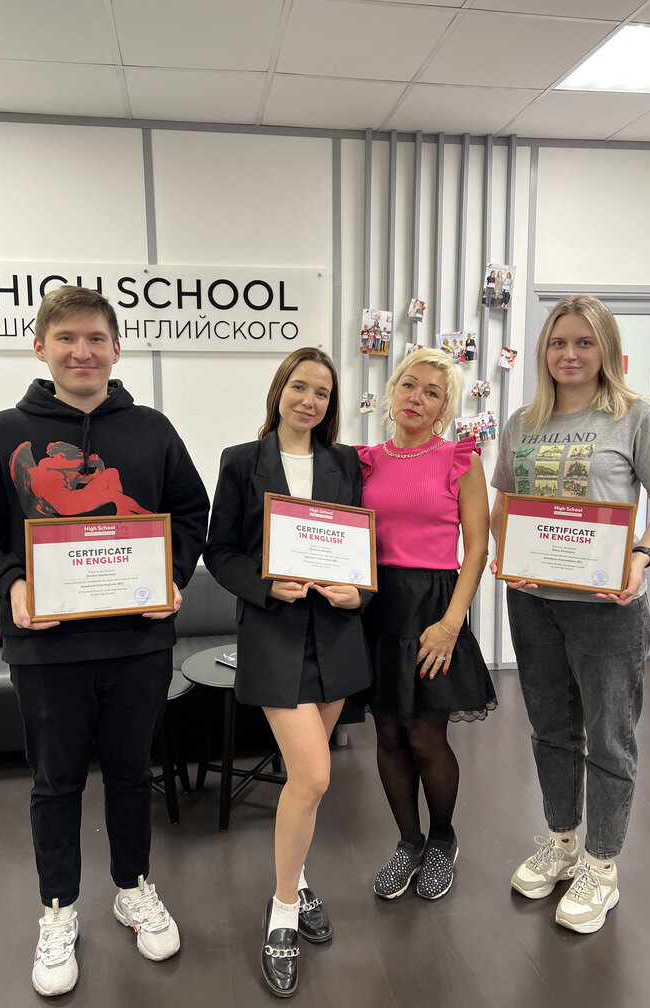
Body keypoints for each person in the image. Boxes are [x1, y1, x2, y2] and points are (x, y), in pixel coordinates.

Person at [0, 286, 209, 996]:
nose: (81, 352)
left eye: (95, 339)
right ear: (40, 347)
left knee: (131, 776)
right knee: (55, 783)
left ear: (117, 349)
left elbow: (190, 512)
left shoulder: (153, 430)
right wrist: (10, 584)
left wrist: (174, 574)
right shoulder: (1, 434)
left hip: (139, 645)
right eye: (66, 339)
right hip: (45, 651)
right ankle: (58, 909)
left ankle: (133, 887)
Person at [489, 295, 650, 934]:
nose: (569, 354)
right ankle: (563, 844)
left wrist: (641, 557)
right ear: (544, 351)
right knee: (550, 728)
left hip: (607, 609)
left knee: (609, 736)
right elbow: (505, 502)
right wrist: (505, 553)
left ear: (606, 350)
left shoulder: (635, 417)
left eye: (583, 342)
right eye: (558, 342)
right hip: (533, 602)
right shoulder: (522, 422)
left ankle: (601, 866)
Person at [204, 347, 372, 998]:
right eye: (299, 387)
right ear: (279, 391)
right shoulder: (241, 461)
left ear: (331, 404)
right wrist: (267, 584)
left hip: (336, 638)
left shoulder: (344, 463)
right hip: (274, 636)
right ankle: (282, 912)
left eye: (322, 393)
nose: (309, 400)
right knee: (314, 775)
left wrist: (359, 594)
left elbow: (364, 547)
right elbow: (220, 551)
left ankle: (297, 879)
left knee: (307, 784)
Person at [356, 348, 496, 903]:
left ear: (444, 408)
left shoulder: (460, 459)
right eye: (409, 385)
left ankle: (441, 840)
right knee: (388, 732)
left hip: (434, 607)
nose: (417, 398)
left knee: (425, 734)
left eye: (432, 392)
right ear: (392, 391)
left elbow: (478, 548)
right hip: (376, 605)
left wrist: (451, 625)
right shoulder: (365, 460)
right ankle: (408, 842)